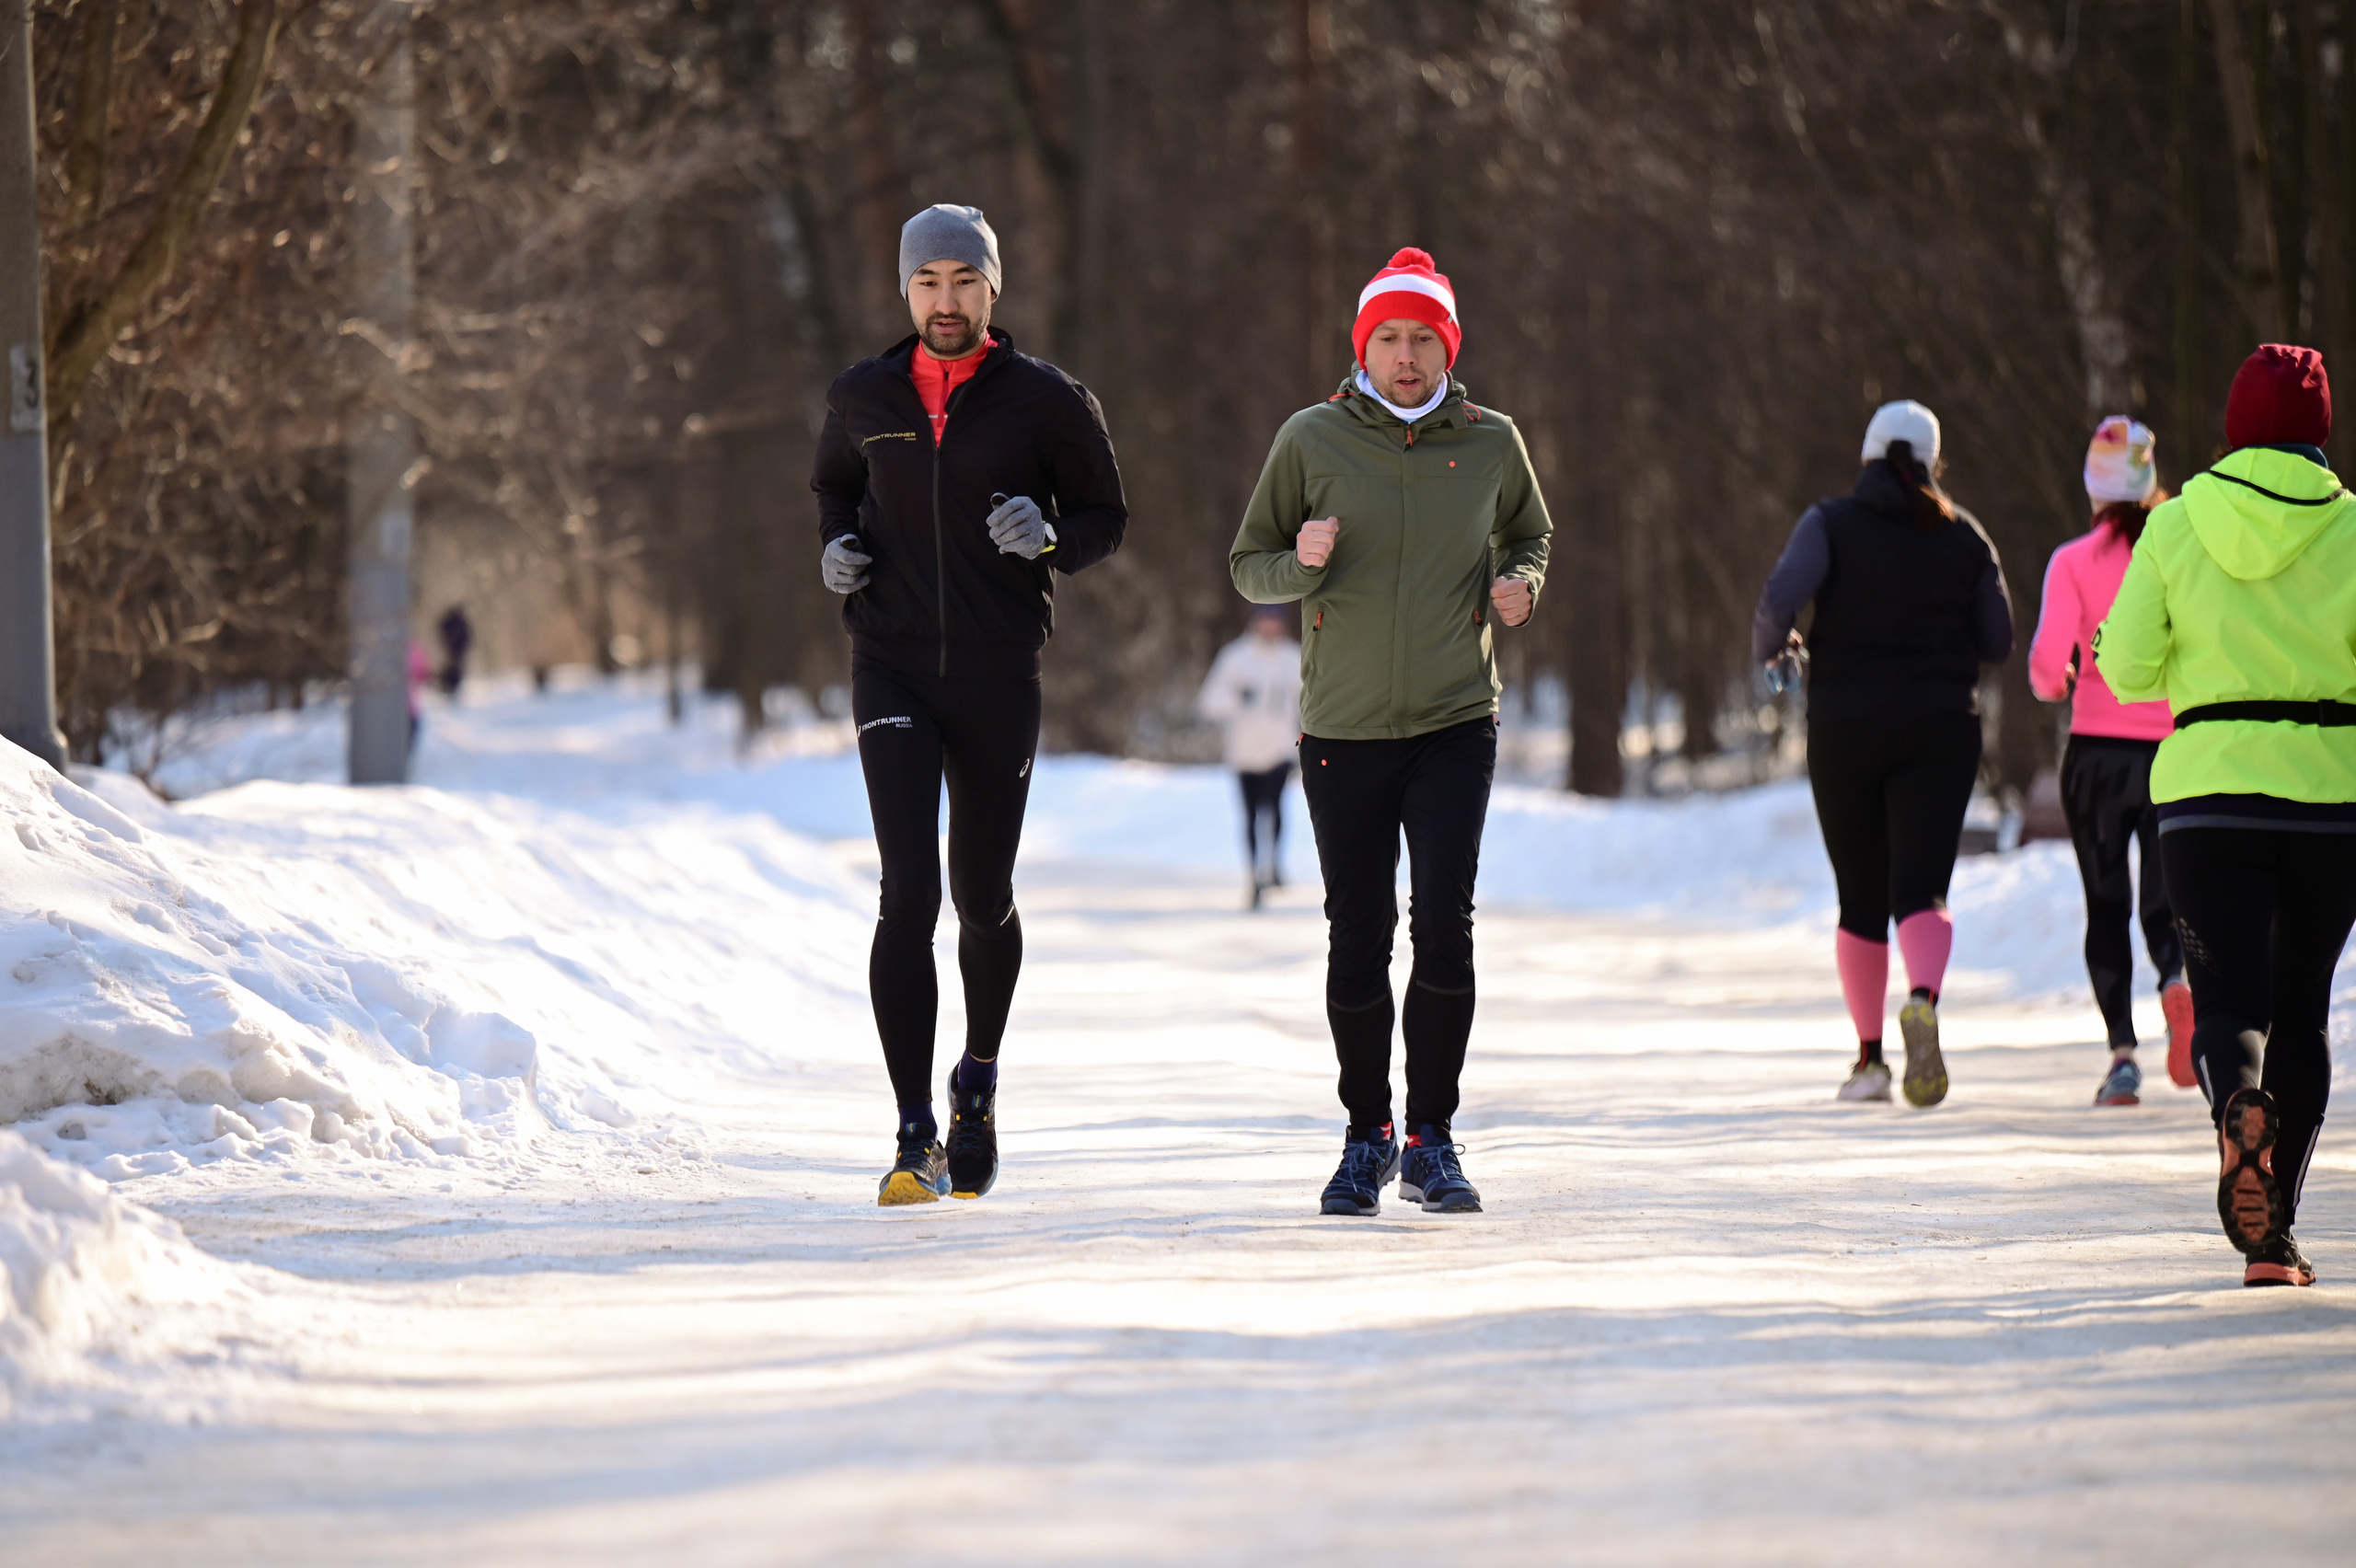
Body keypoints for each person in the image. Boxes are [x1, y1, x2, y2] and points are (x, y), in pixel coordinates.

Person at [811, 203, 1127, 1206]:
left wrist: (1049, 535)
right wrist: (835, 548)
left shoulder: (1047, 400)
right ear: (905, 291)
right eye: (927, 282)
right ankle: (914, 1135)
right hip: (890, 664)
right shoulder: (862, 393)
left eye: (962, 281)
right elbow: (833, 490)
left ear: (992, 288)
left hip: (996, 671)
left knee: (982, 896)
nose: (944, 301)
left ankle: (976, 1084)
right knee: (908, 894)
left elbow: (1105, 516)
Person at [1230, 247, 1551, 1216]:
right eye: (1387, 339)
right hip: (1343, 726)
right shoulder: (1310, 438)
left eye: (1422, 338)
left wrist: (1520, 583)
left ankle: (1431, 1140)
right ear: (1362, 348)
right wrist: (1299, 562)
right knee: (1358, 933)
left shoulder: (1492, 443)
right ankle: (1365, 1133)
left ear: (1447, 347)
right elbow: (1249, 563)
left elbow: (1530, 533)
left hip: (1455, 720)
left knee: (1443, 925)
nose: (1404, 356)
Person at [2096, 343, 2356, 1289]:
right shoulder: (2351, 527)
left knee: (2229, 1006)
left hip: (2206, 803)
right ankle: (2274, 1240)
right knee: (2302, 1014)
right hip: (2329, 801)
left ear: (2232, 427)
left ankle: (2236, 1112)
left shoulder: (2174, 525)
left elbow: (2126, 669)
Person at [1752, 399, 2014, 1108]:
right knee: (1922, 889)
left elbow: (1779, 598)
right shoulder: (1966, 536)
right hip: (1941, 728)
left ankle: (1869, 1062)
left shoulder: (1829, 523)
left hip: (1846, 727)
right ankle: (1922, 1000)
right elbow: (1998, 640)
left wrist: (1774, 649)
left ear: (1868, 457)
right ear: (1933, 463)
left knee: (1860, 894)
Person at [2027, 418, 2194, 1107]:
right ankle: (2177, 983)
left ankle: (2123, 1057)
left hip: (2097, 756)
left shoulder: (2072, 561)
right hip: (2173, 753)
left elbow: (2046, 669)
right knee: (2166, 896)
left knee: (2107, 903)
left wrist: (2066, 680)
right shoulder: (2181, 550)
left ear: (2094, 487)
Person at [1196, 605, 1304, 907]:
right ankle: (1254, 874)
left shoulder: (1292, 657)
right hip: (1244, 752)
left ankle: (1274, 863)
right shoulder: (1236, 657)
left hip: (1279, 747)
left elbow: (1309, 697)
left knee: (1276, 807)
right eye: (1265, 621)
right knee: (1251, 814)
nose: (1270, 628)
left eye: (1275, 622)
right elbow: (1210, 701)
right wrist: (1238, 699)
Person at [436, 605, 473, 697]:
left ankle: (451, 688)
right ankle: (448, 688)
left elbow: (468, 636)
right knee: (452, 667)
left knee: (455, 668)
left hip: (456, 650)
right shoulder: (455, 623)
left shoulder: (458, 623)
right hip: (452, 649)